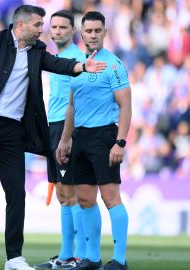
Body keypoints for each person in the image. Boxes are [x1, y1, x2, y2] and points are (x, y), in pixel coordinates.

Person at [0, 5, 106, 270]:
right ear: (20, 26)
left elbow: (58, 64)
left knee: (17, 194)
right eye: (37, 25)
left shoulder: (37, 50)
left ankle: (14, 258)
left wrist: (82, 66)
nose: (41, 30)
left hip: (12, 131)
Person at [56, 11, 131, 270]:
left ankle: (120, 260)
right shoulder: (77, 67)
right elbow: (71, 108)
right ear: (81, 33)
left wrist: (120, 142)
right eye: (88, 31)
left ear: (104, 32)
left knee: (110, 198)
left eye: (97, 31)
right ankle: (93, 259)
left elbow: (125, 106)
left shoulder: (113, 64)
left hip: (104, 136)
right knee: (85, 199)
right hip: (80, 137)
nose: (92, 35)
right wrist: (65, 140)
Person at [34, 10, 86, 270]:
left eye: (63, 27)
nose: (56, 31)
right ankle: (67, 255)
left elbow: (78, 104)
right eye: (53, 27)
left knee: (73, 193)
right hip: (53, 128)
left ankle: (80, 256)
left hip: (68, 131)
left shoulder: (77, 59)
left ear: (73, 31)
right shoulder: (57, 58)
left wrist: (67, 137)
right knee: (64, 195)